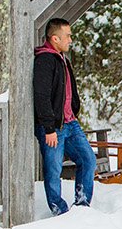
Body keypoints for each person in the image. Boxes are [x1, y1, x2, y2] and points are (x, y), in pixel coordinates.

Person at [33, 18, 96, 215]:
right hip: (53, 127)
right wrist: (49, 128)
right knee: (53, 170)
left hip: (70, 123)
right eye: (67, 36)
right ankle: (59, 210)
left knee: (87, 160)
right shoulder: (45, 60)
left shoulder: (62, 59)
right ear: (54, 38)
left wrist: (74, 110)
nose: (70, 40)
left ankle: (82, 204)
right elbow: (41, 96)